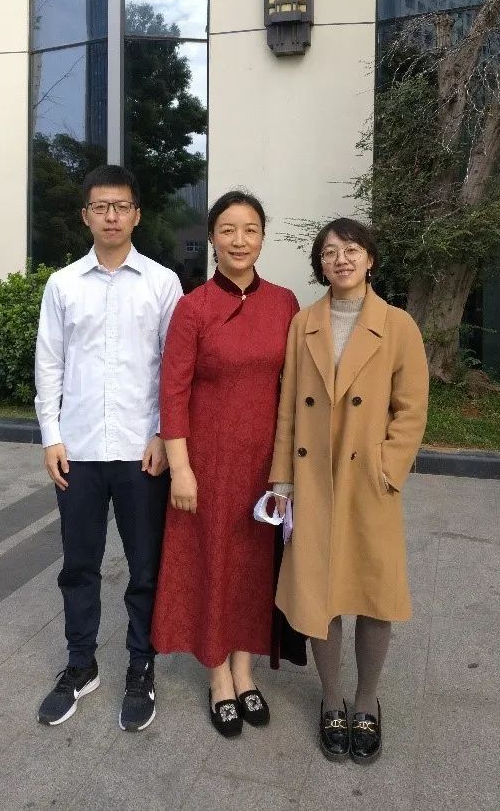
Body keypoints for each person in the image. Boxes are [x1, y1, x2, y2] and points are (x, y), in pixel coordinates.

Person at [269, 218, 428, 764]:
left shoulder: (398, 325)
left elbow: (411, 409)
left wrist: (389, 467)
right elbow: (288, 406)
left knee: (374, 590)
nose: (341, 260)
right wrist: (282, 479)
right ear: (321, 264)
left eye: (351, 250)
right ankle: (332, 699)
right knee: (321, 590)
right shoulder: (303, 323)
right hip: (313, 476)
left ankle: (366, 702)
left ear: (370, 259)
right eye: (330, 252)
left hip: (367, 480)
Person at [34, 164, 183, 732]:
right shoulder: (63, 284)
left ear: (137, 215)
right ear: (86, 216)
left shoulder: (162, 283)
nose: (111, 216)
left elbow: (175, 369)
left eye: (121, 206)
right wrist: (51, 435)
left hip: (143, 452)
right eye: (101, 207)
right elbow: (49, 363)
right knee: (79, 565)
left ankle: (141, 664)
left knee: (146, 567)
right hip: (79, 451)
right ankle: (81, 664)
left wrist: (164, 434)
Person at [151, 191, 300, 737]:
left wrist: (290, 466)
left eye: (250, 230)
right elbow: (173, 391)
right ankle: (218, 675)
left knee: (254, 567)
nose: (240, 240)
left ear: (262, 238)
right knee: (212, 562)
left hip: (265, 463)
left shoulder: (284, 304)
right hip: (207, 462)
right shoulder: (194, 307)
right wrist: (181, 467)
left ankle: (245, 669)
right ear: (213, 238)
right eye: (229, 230)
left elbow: (295, 387)